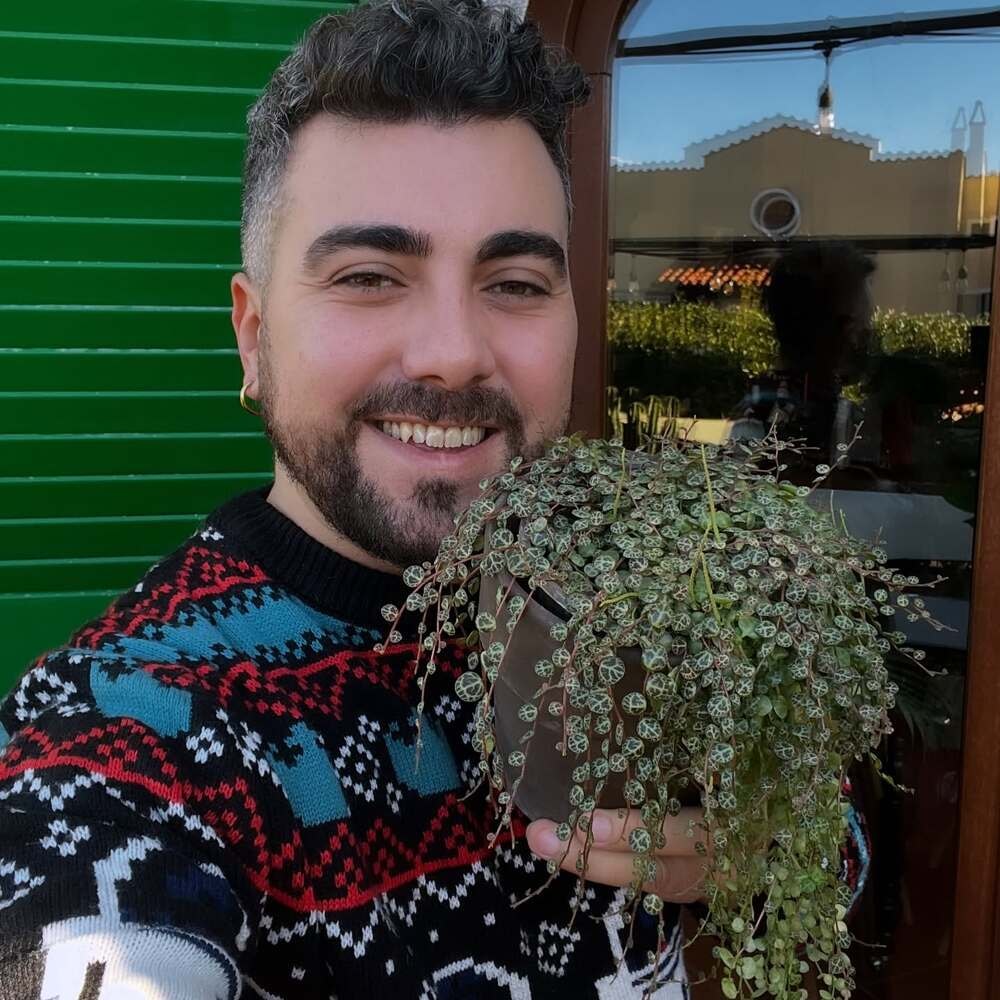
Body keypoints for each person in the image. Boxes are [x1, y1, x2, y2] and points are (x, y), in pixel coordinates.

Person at [0, 3, 866, 997]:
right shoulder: (130, 727)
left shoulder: (630, 592)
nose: (454, 351)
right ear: (252, 336)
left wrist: (774, 847)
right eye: (370, 276)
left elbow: (815, 845)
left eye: (516, 281)